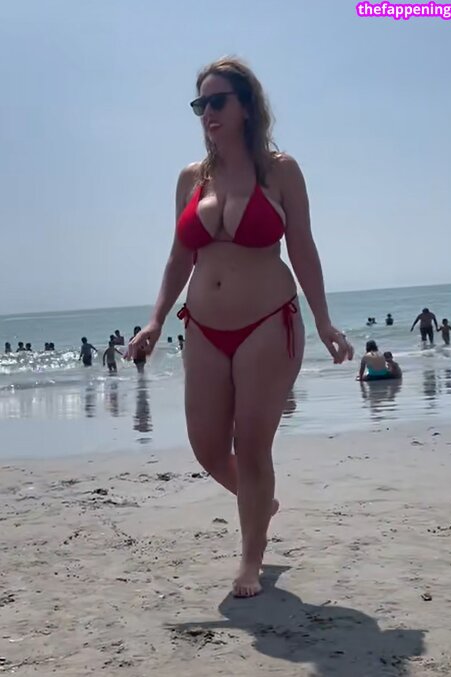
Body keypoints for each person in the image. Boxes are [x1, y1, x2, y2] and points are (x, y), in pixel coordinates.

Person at [126, 56, 353, 598]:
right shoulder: (191, 179)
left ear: (246, 106)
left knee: (252, 446)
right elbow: (179, 257)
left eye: (217, 101)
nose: (207, 112)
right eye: (200, 104)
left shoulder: (280, 171)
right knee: (207, 447)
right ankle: (260, 502)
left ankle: (251, 559)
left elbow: (302, 248)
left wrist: (324, 321)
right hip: (203, 327)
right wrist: (155, 319)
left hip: (268, 321)